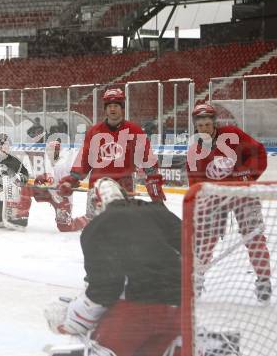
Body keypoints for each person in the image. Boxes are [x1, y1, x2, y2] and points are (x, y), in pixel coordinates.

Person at [44, 178, 182, 356]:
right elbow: (191, 244)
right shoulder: (156, 210)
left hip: (136, 309)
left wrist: (75, 318)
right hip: (178, 306)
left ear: (97, 203)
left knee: (99, 351)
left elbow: (105, 288)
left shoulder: (96, 228)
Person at [186, 103, 271, 301]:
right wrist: (202, 202)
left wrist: (247, 176)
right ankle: (198, 278)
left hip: (243, 195)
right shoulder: (194, 151)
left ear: (214, 123)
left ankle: (264, 280)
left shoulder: (233, 135)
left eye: (207, 124)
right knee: (205, 239)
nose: (204, 128)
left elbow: (259, 153)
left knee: (254, 236)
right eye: (200, 126)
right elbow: (195, 183)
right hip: (216, 198)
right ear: (195, 127)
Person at [57, 88, 166, 220]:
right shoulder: (94, 132)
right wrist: (72, 179)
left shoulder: (135, 131)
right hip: (96, 189)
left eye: (116, 106)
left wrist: (153, 181)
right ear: (105, 109)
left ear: (122, 108)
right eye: (109, 106)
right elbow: (84, 160)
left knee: (122, 230)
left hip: (124, 189)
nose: (112, 109)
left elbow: (147, 160)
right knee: (96, 230)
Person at [30, 140, 88, 232]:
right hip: (49, 193)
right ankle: (19, 214)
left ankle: (86, 221)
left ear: (58, 151)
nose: (49, 152)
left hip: (62, 198)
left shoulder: (65, 165)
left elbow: (74, 181)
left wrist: (68, 185)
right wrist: (41, 179)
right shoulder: (47, 162)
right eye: (48, 150)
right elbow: (47, 179)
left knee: (64, 227)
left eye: (51, 150)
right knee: (27, 189)